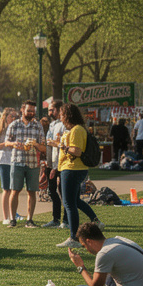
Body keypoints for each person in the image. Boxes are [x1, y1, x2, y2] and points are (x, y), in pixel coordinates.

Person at [55, 103, 95, 247]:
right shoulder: (75, 129)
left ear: (67, 115)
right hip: (71, 169)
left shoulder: (77, 130)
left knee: (69, 204)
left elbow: (76, 151)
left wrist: (64, 148)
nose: (60, 116)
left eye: (61, 113)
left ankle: (74, 238)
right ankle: (88, 225)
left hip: (72, 169)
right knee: (73, 202)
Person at [6, 100, 45, 228]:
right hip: (17, 161)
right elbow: (7, 142)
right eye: (29, 110)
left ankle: (30, 219)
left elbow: (44, 147)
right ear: (22, 110)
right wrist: (14, 144)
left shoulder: (38, 126)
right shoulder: (14, 125)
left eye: (33, 111)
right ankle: (12, 220)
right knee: (14, 191)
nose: (31, 113)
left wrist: (36, 145)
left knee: (32, 192)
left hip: (33, 163)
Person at [0, 108, 17, 225]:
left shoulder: (14, 128)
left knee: (13, 188)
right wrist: (5, 144)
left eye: (15, 116)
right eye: (12, 116)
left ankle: (13, 215)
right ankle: (5, 217)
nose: (14, 118)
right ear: (5, 117)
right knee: (6, 188)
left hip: (14, 159)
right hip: (3, 160)